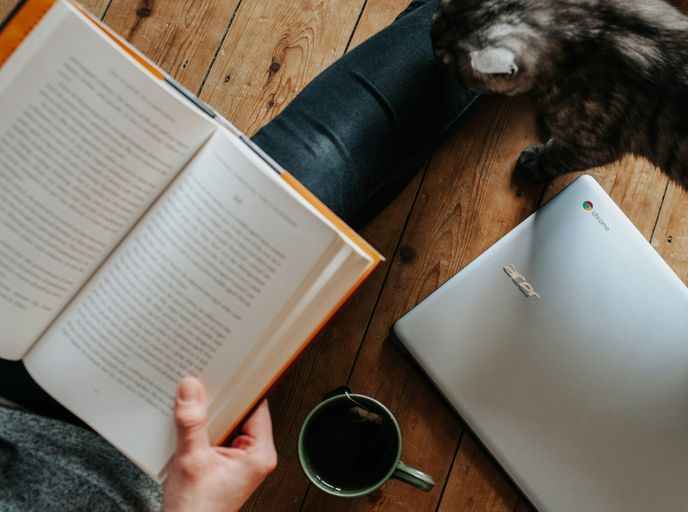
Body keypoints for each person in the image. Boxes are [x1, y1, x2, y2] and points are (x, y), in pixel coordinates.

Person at [0, 0, 479, 510]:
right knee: (323, 167)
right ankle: (514, 33)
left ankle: (506, 39)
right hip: (138, 442)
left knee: (330, 181)